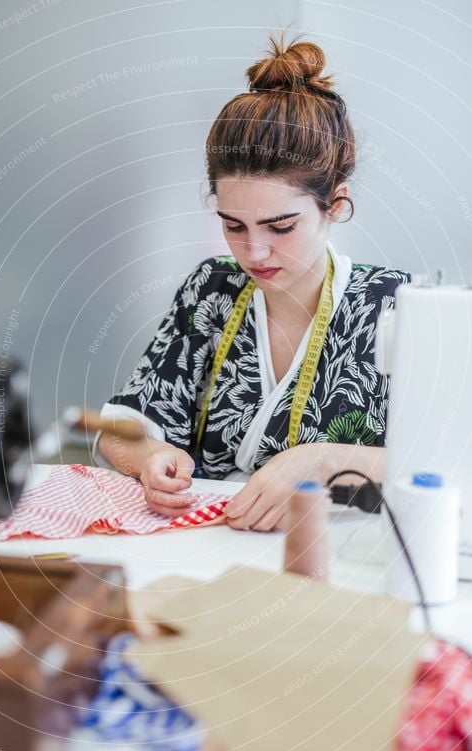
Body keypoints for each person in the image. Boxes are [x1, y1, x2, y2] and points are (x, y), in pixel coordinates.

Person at [97, 36, 409, 531]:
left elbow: (449, 463)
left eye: (280, 226)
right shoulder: (212, 289)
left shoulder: (399, 306)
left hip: (340, 563)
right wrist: (150, 458)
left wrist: (323, 461)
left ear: (335, 204)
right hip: (202, 551)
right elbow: (120, 425)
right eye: (234, 226)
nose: (253, 252)